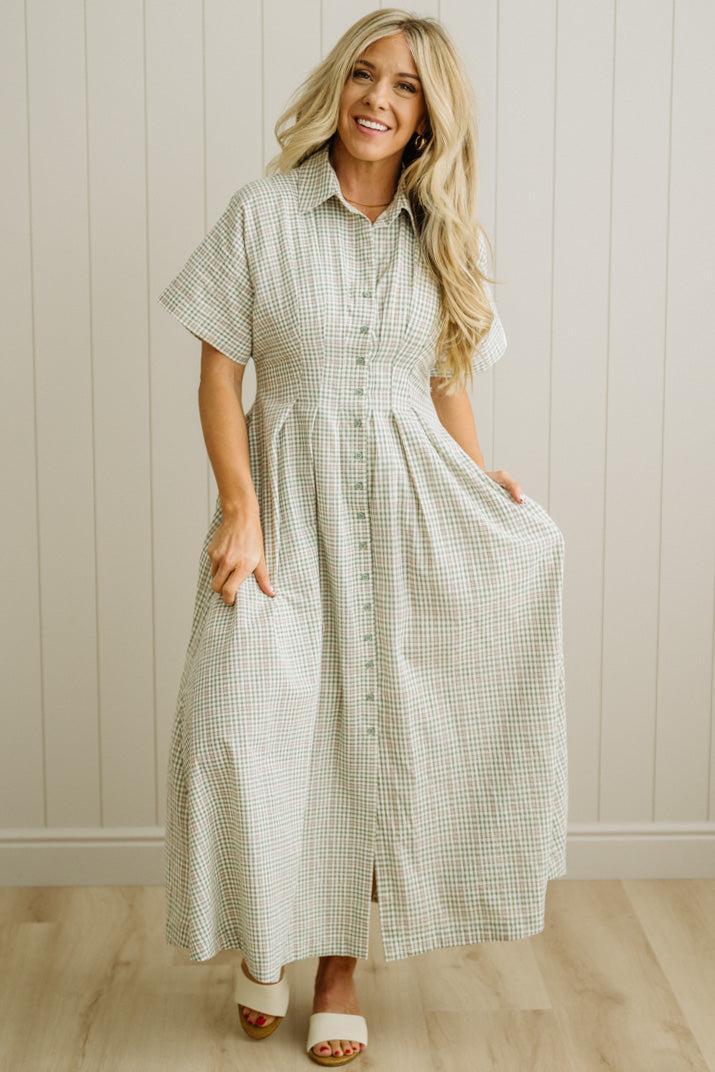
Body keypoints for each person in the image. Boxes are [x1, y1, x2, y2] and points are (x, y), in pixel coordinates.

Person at [156, 9, 567, 1067]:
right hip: (283, 509)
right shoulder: (264, 214)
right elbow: (219, 374)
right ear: (338, 87)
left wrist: (478, 486)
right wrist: (239, 510)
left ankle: (337, 968)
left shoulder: (447, 237)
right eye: (364, 76)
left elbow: (444, 384)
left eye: (405, 86)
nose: (377, 99)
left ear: (430, 115)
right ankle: (266, 937)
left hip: (404, 511)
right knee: (241, 728)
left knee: (374, 735)